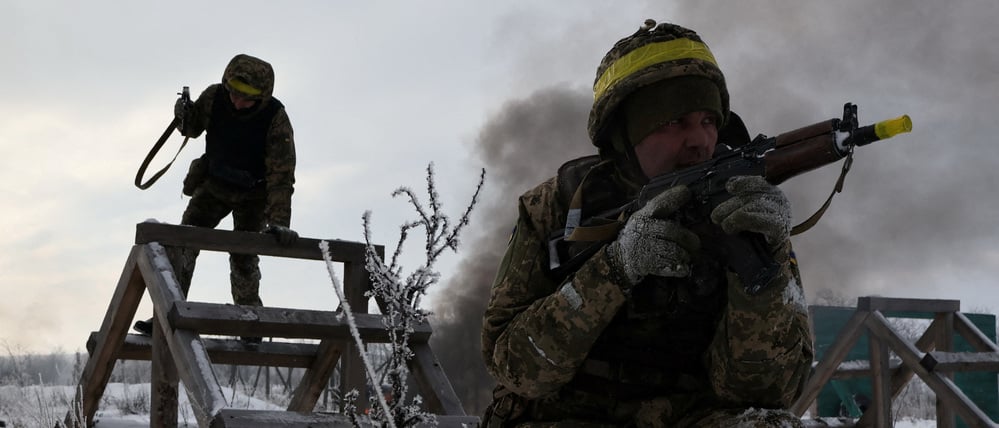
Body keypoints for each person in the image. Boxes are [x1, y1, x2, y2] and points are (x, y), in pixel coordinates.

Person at [480, 20, 814, 427]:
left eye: (709, 121)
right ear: (624, 133)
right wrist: (615, 269)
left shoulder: (743, 210)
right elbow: (514, 367)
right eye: (674, 122)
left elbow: (767, 394)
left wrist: (764, 274)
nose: (699, 141)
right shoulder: (555, 208)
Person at [134, 54, 299, 344]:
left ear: (261, 97)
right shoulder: (214, 97)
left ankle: (250, 322)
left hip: (254, 194)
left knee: (244, 255)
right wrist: (184, 114)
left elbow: (281, 176)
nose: (237, 101)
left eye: (246, 98)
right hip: (214, 184)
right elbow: (192, 128)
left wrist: (280, 222)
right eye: (233, 93)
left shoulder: (276, 119)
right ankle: (167, 311)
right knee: (184, 243)